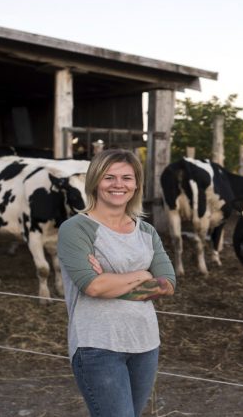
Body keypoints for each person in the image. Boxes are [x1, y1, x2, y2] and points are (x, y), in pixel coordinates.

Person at [58, 149, 176, 417]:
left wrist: (110, 281)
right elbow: (93, 287)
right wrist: (143, 275)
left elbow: (167, 284)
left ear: (136, 185)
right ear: (95, 181)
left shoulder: (146, 231)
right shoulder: (76, 228)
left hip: (145, 342)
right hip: (98, 345)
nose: (118, 184)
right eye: (109, 177)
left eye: (126, 178)